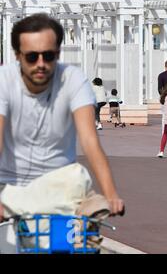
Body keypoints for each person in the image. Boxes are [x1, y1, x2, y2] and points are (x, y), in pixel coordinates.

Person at [0, 13, 124, 224]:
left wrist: (111, 194)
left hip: (60, 180)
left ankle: (86, 208)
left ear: (58, 53)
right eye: (32, 57)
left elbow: (89, 140)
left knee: (77, 177)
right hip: (11, 183)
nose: (40, 63)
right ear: (17, 56)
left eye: (48, 56)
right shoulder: (4, 80)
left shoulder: (72, 79)